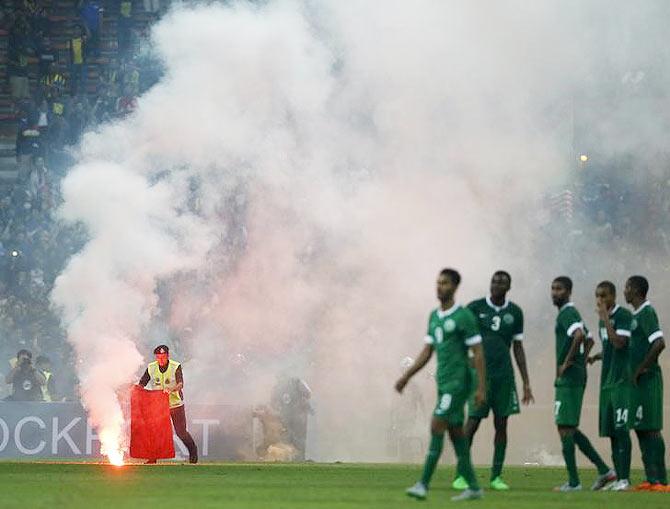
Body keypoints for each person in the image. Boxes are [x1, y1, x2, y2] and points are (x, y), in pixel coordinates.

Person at [396, 268, 486, 502]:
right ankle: (474, 487)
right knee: (456, 434)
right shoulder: (434, 317)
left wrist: (480, 388)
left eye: (445, 283)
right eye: (438, 282)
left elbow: (478, 353)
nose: (440, 287)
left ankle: (423, 484)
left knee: (437, 425)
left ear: (455, 287)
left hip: (459, 383)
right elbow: (427, 351)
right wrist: (407, 376)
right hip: (443, 382)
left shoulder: (463, 317)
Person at [452, 270, 533, 491]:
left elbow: (518, 347)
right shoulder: (475, 308)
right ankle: (461, 474)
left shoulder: (515, 313)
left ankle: (496, 476)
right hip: (481, 376)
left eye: (502, 282)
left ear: (509, 287)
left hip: (504, 375)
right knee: (473, 423)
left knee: (502, 423)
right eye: (494, 281)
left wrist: (526, 381)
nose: (496, 285)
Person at [551, 276, 615, 491]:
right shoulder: (570, 313)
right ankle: (604, 470)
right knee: (568, 427)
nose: (554, 293)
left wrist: (568, 363)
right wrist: (583, 360)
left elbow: (579, 336)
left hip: (569, 378)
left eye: (559, 289)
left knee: (565, 427)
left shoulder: (568, 312)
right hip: (574, 376)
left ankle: (574, 482)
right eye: (552, 289)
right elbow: (589, 338)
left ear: (568, 292)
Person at [587, 281, 633, 491]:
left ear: (613, 296)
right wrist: (596, 356)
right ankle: (618, 477)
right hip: (606, 381)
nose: (600, 300)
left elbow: (620, 343)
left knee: (622, 430)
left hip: (622, 381)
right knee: (612, 431)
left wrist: (606, 319)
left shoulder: (623, 315)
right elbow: (609, 347)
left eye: (604, 296)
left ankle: (625, 479)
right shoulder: (601, 323)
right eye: (598, 296)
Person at [623, 275, 668, 491]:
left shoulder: (647, 312)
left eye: (627, 288)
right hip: (637, 382)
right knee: (640, 429)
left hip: (649, 380)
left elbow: (659, 343)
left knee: (651, 430)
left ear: (636, 291)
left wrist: (641, 369)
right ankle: (650, 478)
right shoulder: (635, 315)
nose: (624, 292)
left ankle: (662, 481)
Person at [138, 345, 198, 463]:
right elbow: (142, 384)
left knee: (181, 432)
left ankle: (193, 451)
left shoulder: (175, 366)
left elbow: (180, 383)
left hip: (175, 404)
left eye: (163, 357)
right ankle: (152, 457)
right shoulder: (151, 367)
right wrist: (135, 390)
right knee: (154, 432)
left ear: (168, 356)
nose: (161, 360)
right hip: (158, 406)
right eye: (159, 357)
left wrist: (172, 389)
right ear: (156, 357)